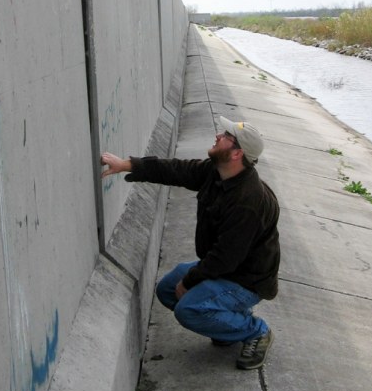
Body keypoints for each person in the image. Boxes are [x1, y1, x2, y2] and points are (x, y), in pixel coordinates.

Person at [100, 116, 280, 371]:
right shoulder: (216, 172)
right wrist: (127, 165)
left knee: (188, 309)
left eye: (225, 136)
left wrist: (191, 280)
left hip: (246, 280)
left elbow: (225, 257)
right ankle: (228, 324)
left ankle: (255, 331)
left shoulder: (247, 201)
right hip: (225, 269)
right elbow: (177, 169)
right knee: (167, 289)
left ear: (237, 153)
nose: (217, 136)